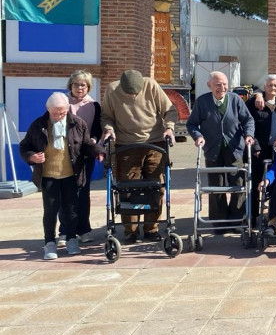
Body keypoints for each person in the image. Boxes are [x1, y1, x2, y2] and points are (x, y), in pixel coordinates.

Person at [21, 93, 104, 260]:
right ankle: (50, 243)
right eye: (55, 113)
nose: (59, 116)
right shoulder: (38, 125)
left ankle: (71, 239)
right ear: (48, 109)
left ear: (67, 109)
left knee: (71, 210)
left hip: (71, 174)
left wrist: (97, 152)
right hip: (48, 175)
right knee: (50, 211)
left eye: (62, 112)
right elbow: (25, 145)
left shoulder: (77, 123)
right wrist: (31, 157)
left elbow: (87, 143)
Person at [101, 70, 178, 244]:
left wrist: (169, 128)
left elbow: (169, 110)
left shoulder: (151, 85)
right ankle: (131, 231)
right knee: (127, 188)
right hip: (126, 145)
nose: (133, 95)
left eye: (136, 92)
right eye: (130, 93)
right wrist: (109, 129)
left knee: (156, 186)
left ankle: (152, 228)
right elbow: (106, 117)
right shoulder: (112, 90)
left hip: (155, 142)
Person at [186, 71, 256, 229]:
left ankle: (237, 220)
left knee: (238, 185)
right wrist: (198, 136)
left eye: (225, 84)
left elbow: (248, 120)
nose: (222, 87)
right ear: (209, 85)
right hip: (212, 150)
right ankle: (218, 222)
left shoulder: (235, 100)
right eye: (218, 84)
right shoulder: (202, 102)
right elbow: (191, 124)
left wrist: (249, 135)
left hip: (234, 150)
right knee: (216, 187)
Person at [246, 74, 276, 224]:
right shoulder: (254, 103)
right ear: (265, 86)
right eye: (270, 85)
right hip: (258, 150)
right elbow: (248, 125)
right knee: (255, 184)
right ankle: (252, 216)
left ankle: (273, 215)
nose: (273, 88)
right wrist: (255, 146)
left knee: (274, 183)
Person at [67, 70, 102, 244]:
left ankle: (84, 229)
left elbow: (97, 130)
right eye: (76, 84)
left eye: (83, 85)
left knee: (83, 191)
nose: (79, 88)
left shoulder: (94, 106)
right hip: (65, 155)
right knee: (65, 192)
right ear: (70, 86)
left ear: (88, 87)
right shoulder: (62, 103)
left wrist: (92, 143)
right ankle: (65, 231)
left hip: (85, 155)